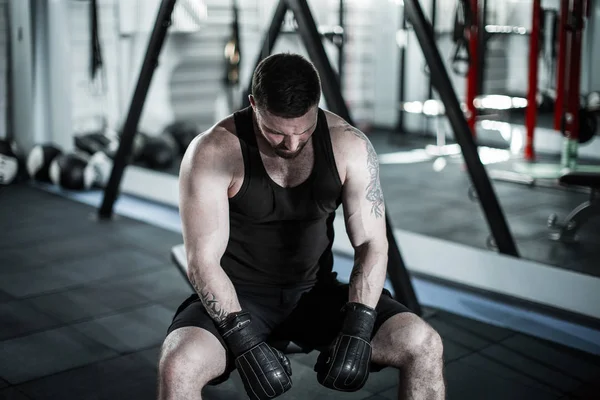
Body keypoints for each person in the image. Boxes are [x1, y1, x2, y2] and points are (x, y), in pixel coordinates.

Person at [158, 53, 445, 400]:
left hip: (316, 294)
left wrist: (358, 327)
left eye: (304, 130)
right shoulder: (214, 151)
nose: (291, 144)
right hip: (238, 297)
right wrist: (243, 339)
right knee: (178, 363)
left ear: (316, 105)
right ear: (253, 105)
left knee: (424, 343)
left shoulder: (347, 145)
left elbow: (371, 243)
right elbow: (202, 261)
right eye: (276, 132)